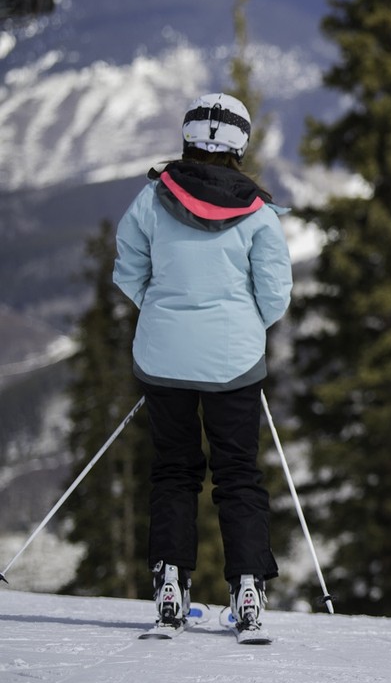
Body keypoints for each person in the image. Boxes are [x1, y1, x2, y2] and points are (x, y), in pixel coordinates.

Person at [113, 93, 292, 641]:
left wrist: (167, 315)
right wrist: (241, 327)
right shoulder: (258, 213)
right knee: (238, 473)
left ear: (188, 138)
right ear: (241, 144)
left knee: (173, 470)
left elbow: (128, 274)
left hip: (162, 358)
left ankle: (170, 583)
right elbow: (276, 293)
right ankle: (247, 591)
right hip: (233, 362)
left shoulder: (151, 200)